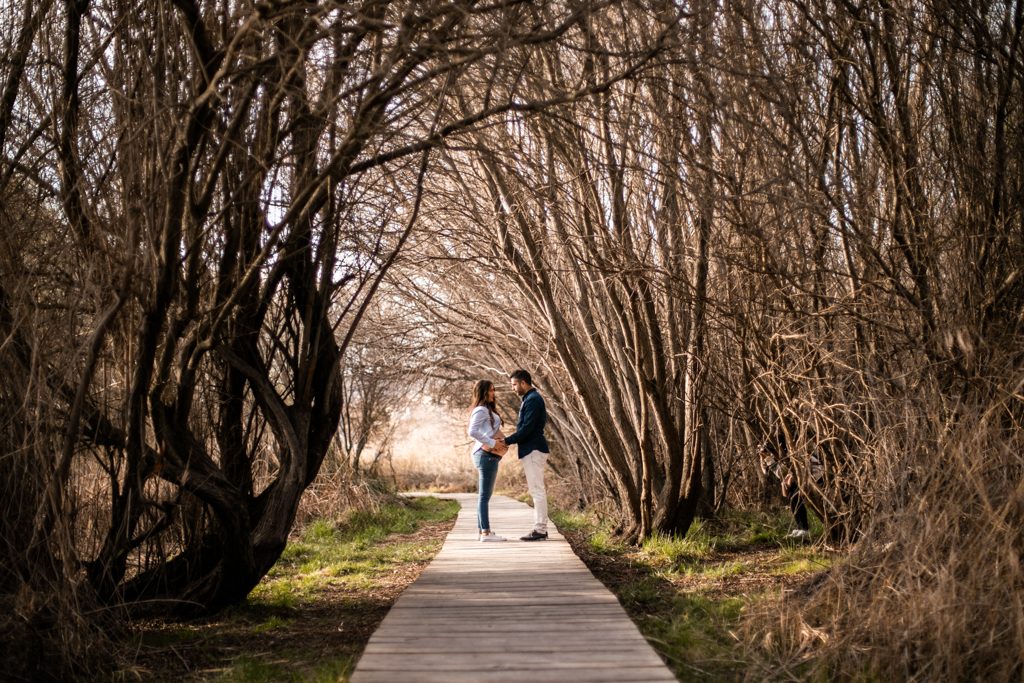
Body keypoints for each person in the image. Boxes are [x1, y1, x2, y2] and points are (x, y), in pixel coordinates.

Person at [496, 369, 550, 541]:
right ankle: (540, 528)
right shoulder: (529, 399)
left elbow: (527, 428)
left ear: (523, 383)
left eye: (514, 384)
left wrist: (507, 440)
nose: (513, 388)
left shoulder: (533, 400)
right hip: (531, 449)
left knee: (537, 490)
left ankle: (540, 529)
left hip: (534, 449)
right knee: (536, 490)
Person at [467, 379, 508, 542]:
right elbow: (472, 431)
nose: (493, 393)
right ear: (483, 392)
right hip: (485, 456)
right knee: (484, 496)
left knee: (484, 496)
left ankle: (482, 531)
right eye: (491, 390)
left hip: (489, 456)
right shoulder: (481, 410)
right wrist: (491, 443)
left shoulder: (487, 410)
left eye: (494, 390)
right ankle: (485, 532)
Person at [758, 440, 821, 540]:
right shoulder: (777, 454)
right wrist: (765, 458)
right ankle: (801, 528)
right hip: (803, 474)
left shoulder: (794, 447)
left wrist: (769, 460)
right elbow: (769, 471)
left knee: (796, 497)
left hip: (813, 474)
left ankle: (804, 529)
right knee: (793, 496)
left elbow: (785, 471)